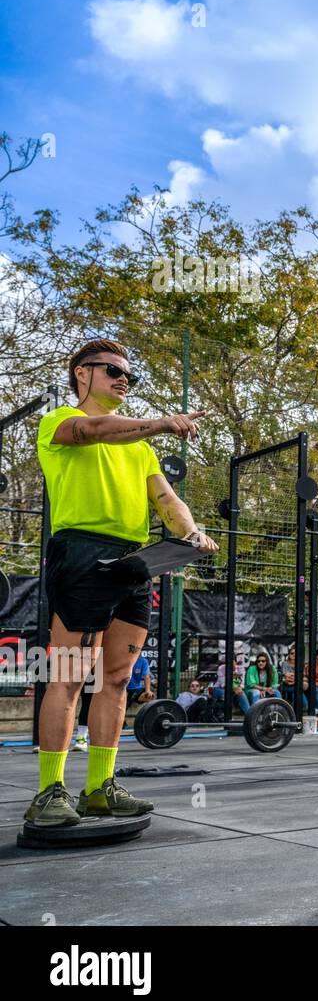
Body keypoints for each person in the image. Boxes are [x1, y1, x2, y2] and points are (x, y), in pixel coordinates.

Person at [25, 338, 218, 829]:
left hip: (134, 564)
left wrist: (191, 533)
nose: (123, 379)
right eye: (111, 369)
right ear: (81, 373)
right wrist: (160, 421)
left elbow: (168, 501)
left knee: (116, 679)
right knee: (69, 675)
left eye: (128, 374)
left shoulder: (142, 450)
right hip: (82, 554)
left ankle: (100, 789)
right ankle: (50, 791)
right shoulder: (58, 422)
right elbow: (93, 430)